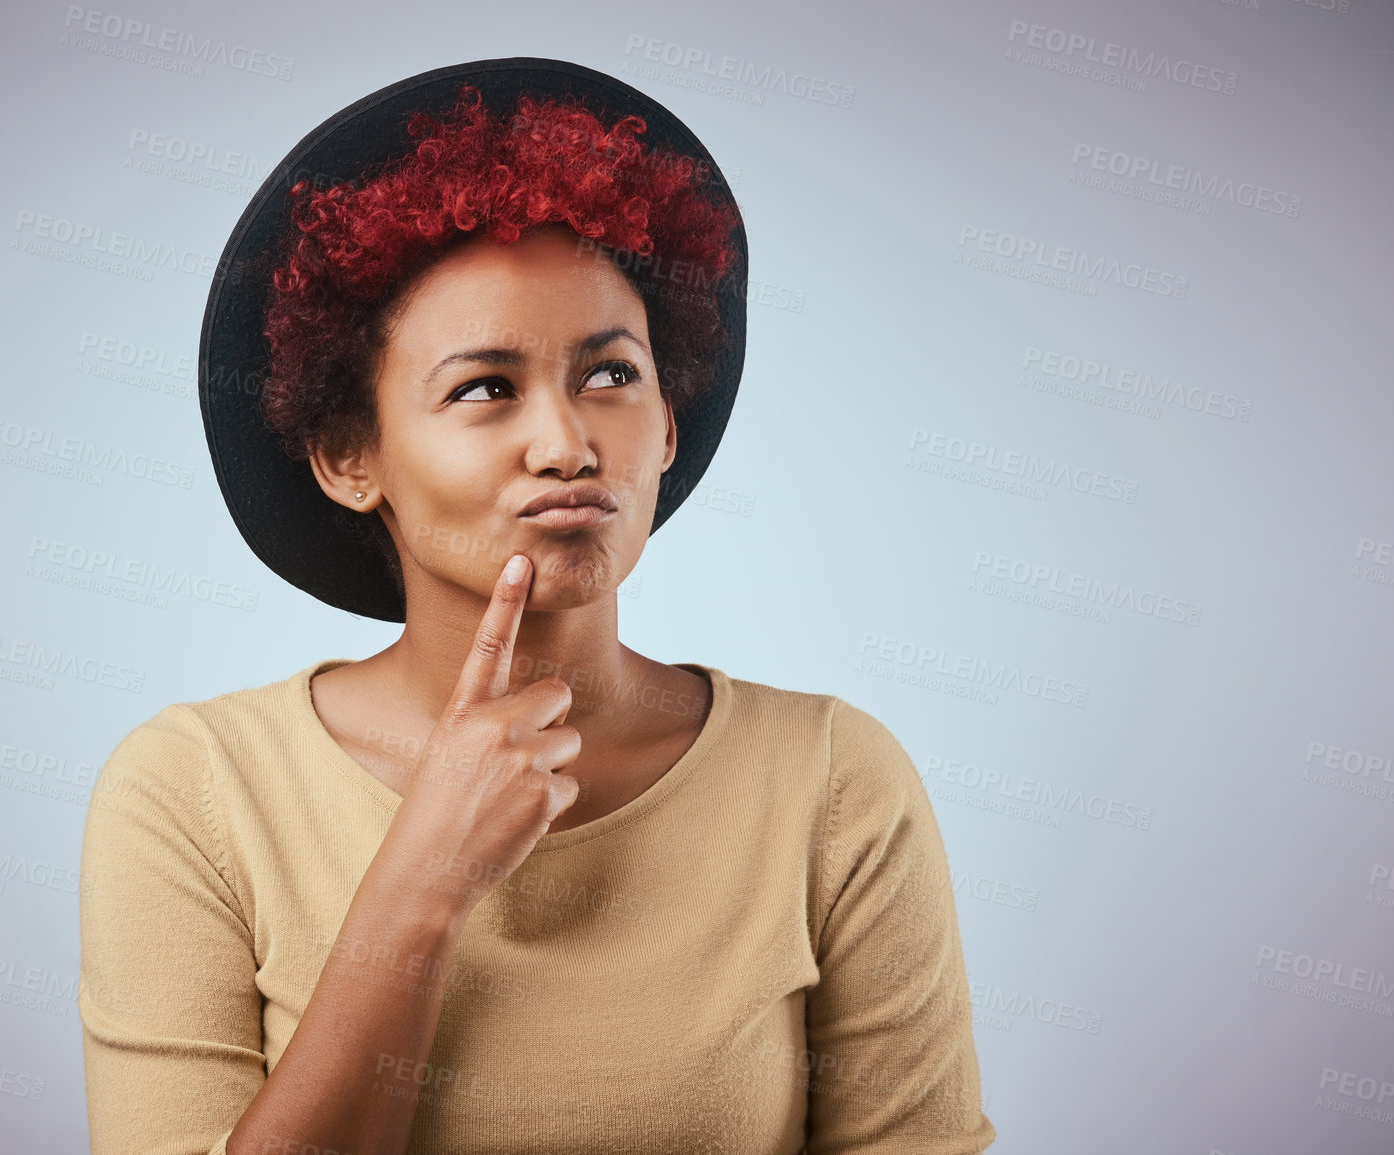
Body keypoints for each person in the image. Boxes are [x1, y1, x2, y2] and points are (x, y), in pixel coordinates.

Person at [78, 58, 995, 1155]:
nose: (568, 445)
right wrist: (423, 881)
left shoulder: (833, 782)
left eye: (611, 375)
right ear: (347, 454)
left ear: (667, 423)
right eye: (483, 389)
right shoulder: (198, 792)